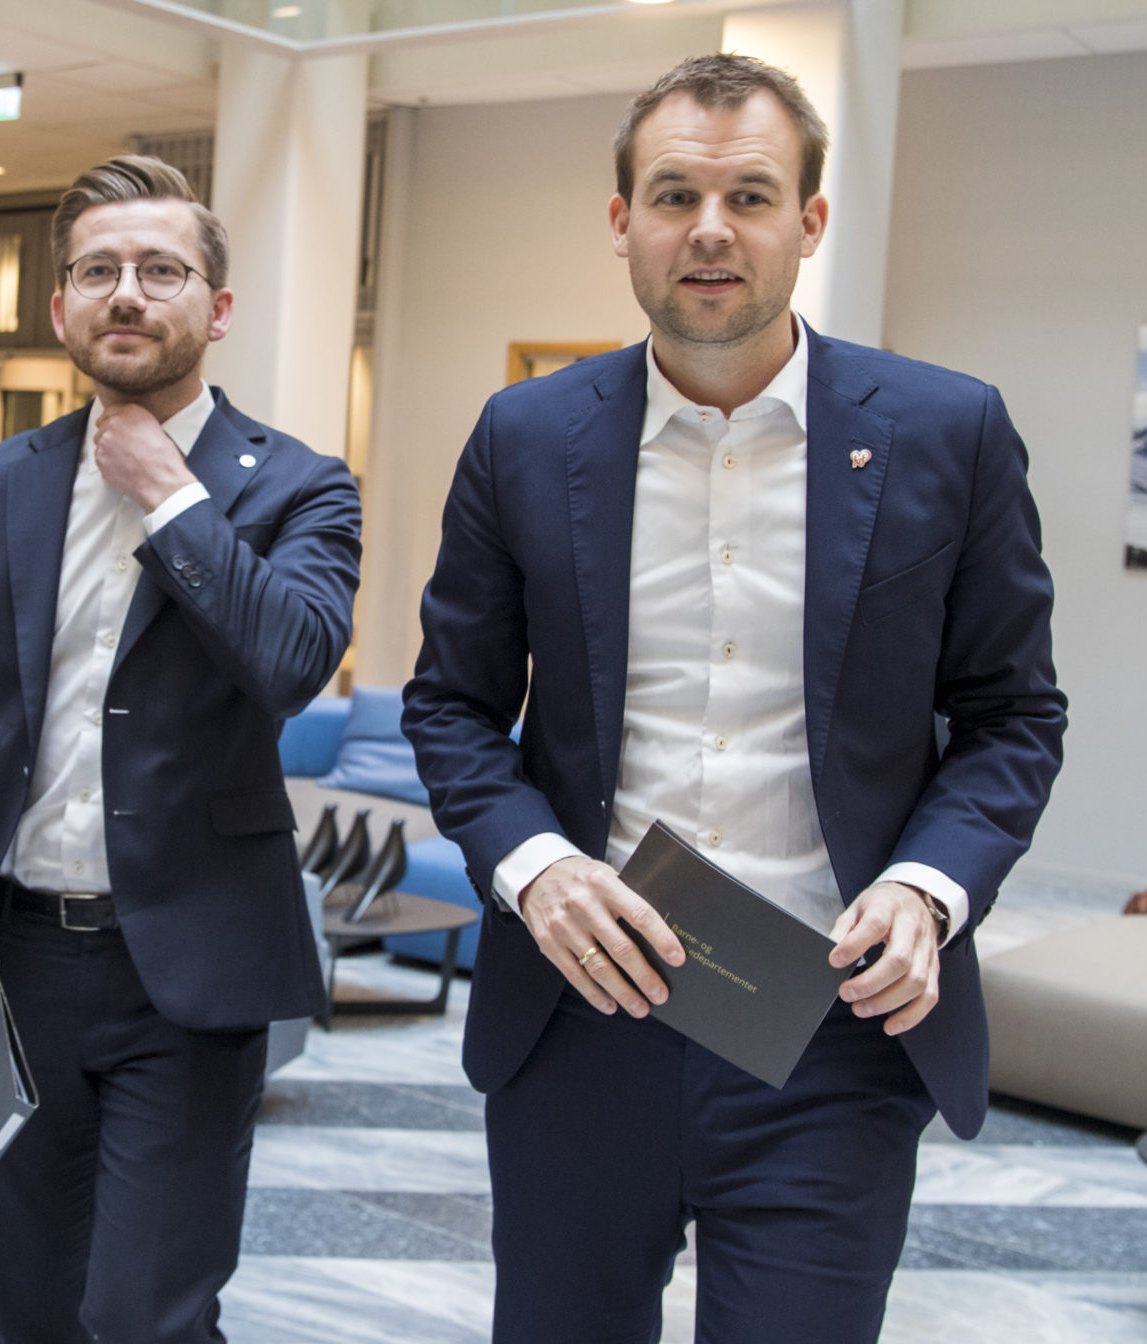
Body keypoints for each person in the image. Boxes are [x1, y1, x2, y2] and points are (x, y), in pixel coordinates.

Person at [403, 53, 1066, 1342]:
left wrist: (927, 887)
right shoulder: (523, 437)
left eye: (749, 196)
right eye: (672, 195)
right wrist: (535, 866)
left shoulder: (946, 431)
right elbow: (450, 705)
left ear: (807, 223)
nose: (709, 229)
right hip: (580, 1013)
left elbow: (1010, 715)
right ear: (621, 223)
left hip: (832, 1025)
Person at [0, 155, 362, 1344]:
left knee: (147, 1314)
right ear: (59, 308)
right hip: (4, 963)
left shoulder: (300, 487)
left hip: (187, 964)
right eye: (97, 271)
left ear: (217, 308)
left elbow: (291, 660)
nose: (125, 292)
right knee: (29, 1309)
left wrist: (170, 498)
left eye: (159, 270)